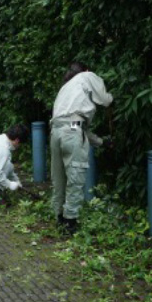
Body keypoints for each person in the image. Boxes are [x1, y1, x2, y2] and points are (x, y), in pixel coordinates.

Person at [50, 62, 113, 235]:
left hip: (56, 132)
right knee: (75, 176)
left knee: (59, 177)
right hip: (71, 130)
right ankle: (70, 223)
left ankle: (60, 217)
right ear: (85, 70)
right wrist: (112, 98)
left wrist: (101, 142)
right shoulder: (87, 76)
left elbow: (76, 127)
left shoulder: (65, 88)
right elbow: (105, 100)